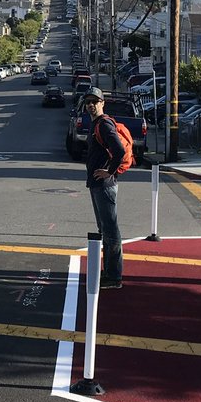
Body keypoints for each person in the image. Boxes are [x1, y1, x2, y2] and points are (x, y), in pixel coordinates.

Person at [82, 88, 126, 289]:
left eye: (95, 101)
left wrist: (109, 171)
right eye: (88, 102)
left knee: (110, 230)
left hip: (104, 186)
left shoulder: (104, 124)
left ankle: (114, 277)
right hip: (96, 184)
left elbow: (119, 150)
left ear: (102, 103)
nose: (91, 105)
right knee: (104, 229)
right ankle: (109, 271)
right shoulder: (95, 124)